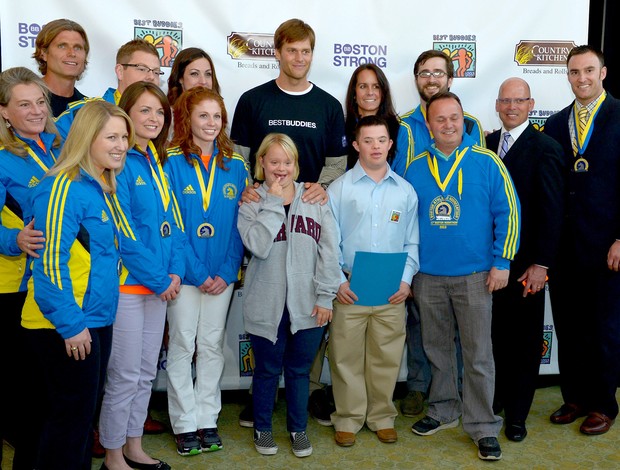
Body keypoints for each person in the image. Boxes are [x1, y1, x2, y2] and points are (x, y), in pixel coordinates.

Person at [230, 18, 347, 428]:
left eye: (306, 51)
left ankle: (300, 408)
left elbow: (336, 164)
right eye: (291, 50)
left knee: (301, 330)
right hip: (264, 217)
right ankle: (260, 407)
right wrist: (251, 192)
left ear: (312, 55)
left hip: (307, 218)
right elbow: (239, 158)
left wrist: (320, 189)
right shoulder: (252, 100)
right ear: (277, 53)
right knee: (269, 327)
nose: (299, 58)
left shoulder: (329, 106)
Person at [405, 91, 520, 461]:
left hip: (475, 275)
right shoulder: (415, 167)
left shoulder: (486, 162)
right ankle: (443, 408)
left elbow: (509, 212)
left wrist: (502, 262)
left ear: (464, 120)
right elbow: (404, 223)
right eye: (440, 119)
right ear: (429, 125)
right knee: (436, 350)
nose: (449, 125)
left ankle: (483, 425)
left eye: (454, 118)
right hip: (428, 277)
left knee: (477, 354)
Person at [20, 100, 131, 469]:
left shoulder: (99, 186)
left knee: (82, 421)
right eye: (111, 137)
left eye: (124, 137)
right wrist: (71, 325)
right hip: (64, 325)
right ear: (87, 139)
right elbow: (49, 265)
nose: (121, 145)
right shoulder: (62, 187)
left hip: (95, 320)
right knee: (68, 423)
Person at [237, 133, 340, 457]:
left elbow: (329, 252)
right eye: (274, 162)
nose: (280, 168)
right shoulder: (251, 202)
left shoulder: (315, 200)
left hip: (307, 304)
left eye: (287, 162)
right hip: (265, 305)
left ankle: (298, 429)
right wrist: (270, 201)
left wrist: (325, 297)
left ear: (296, 165)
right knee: (266, 372)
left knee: (298, 372)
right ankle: (263, 428)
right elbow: (257, 245)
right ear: (262, 164)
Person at [98, 82, 183, 470]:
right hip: (130, 288)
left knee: (146, 373)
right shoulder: (119, 163)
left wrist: (175, 272)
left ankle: (134, 447)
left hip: (160, 287)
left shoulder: (157, 162)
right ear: (126, 114)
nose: (153, 119)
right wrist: (160, 279)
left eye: (160, 112)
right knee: (124, 375)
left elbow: (175, 226)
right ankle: (113, 456)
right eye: (145, 111)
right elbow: (125, 234)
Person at [396, 49, 483, 418]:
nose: (431, 79)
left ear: (450, 79)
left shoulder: (473, 125)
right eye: (424, 73)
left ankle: (461, 389)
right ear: (416, 79)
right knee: (420, 322)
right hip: (421, 239)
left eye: (438, 73)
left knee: (464, 329)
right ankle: (419, 385)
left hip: (462, 242)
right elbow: (399, 181)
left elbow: (477, 179)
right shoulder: (401, 126)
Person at [165, 86, 248, 456]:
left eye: (217, 116)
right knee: (183, 344)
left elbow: (240, 225)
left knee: (212, 346)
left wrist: (229, 270)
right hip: (185, 275)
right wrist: (197, 272)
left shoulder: (236, 164)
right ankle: (184, 423)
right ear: (187, 119)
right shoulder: (170, 161)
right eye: (203, 116)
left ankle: (207, 419)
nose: (211, 123)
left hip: (222, 275)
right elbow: (172, 225)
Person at [327, 115, 420, 447]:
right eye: (368, 140)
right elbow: (329, 242)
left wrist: (406, 281)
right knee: (345, 357)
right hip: (350, 289)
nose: (375, 146)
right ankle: (349, 419)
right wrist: (338, 281)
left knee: (386, 356)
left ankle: (381, 416)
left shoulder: (405, 192)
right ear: (356, 145)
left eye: (381, 139)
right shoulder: (339, 190)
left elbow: (412, 242)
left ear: (390, 144)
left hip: (391, 291)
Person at [543, 45, 620, 436]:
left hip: (607, 246)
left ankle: (604, 404)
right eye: (574, 72)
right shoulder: (556, 124)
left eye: (589, 70)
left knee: (604, 327)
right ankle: (575, 397)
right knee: (570, 327)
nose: (582, 78)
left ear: (603, 73)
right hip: (565, 247)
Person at [487, 77, 566, 442]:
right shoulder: (486, 144)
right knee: (495, 336)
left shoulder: (545, 147)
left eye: (519, 101)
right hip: (490, 262)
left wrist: (542, 264)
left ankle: (517, 415)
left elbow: (552, 210)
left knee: (523, 340)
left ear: (531, 105)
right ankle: (498, 400)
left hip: (526, 267)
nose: (512, 107)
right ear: (498, 104)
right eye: (506, 100)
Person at [0, 66, 62, 470]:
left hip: (51, 287)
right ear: (4, 112)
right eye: (24, 104)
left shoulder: (56, 147)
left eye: (40, 102)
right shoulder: (3, 158)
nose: (37, 110)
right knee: (24, 398)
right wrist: (14, 241)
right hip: (11, 291)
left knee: (46, 397)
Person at [55, 38, 162, 138]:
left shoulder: (158, 120)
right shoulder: (86, 111)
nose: (151, 77)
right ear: (120, 71)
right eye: (142, 69)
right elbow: (50, 144)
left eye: (156, 72)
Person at [343, 63, 409, 169]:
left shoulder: (399, 131)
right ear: (354, 93)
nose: (370, 92)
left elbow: (400, 175)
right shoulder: (340, 128)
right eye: (363, 86)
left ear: (383, 92)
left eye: (376, 86)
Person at [32, 18, 90, 117]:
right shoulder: (26, 100)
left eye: (77, 47)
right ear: (44, 53)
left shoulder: (88, 108)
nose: (72, 53)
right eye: (62, 46)